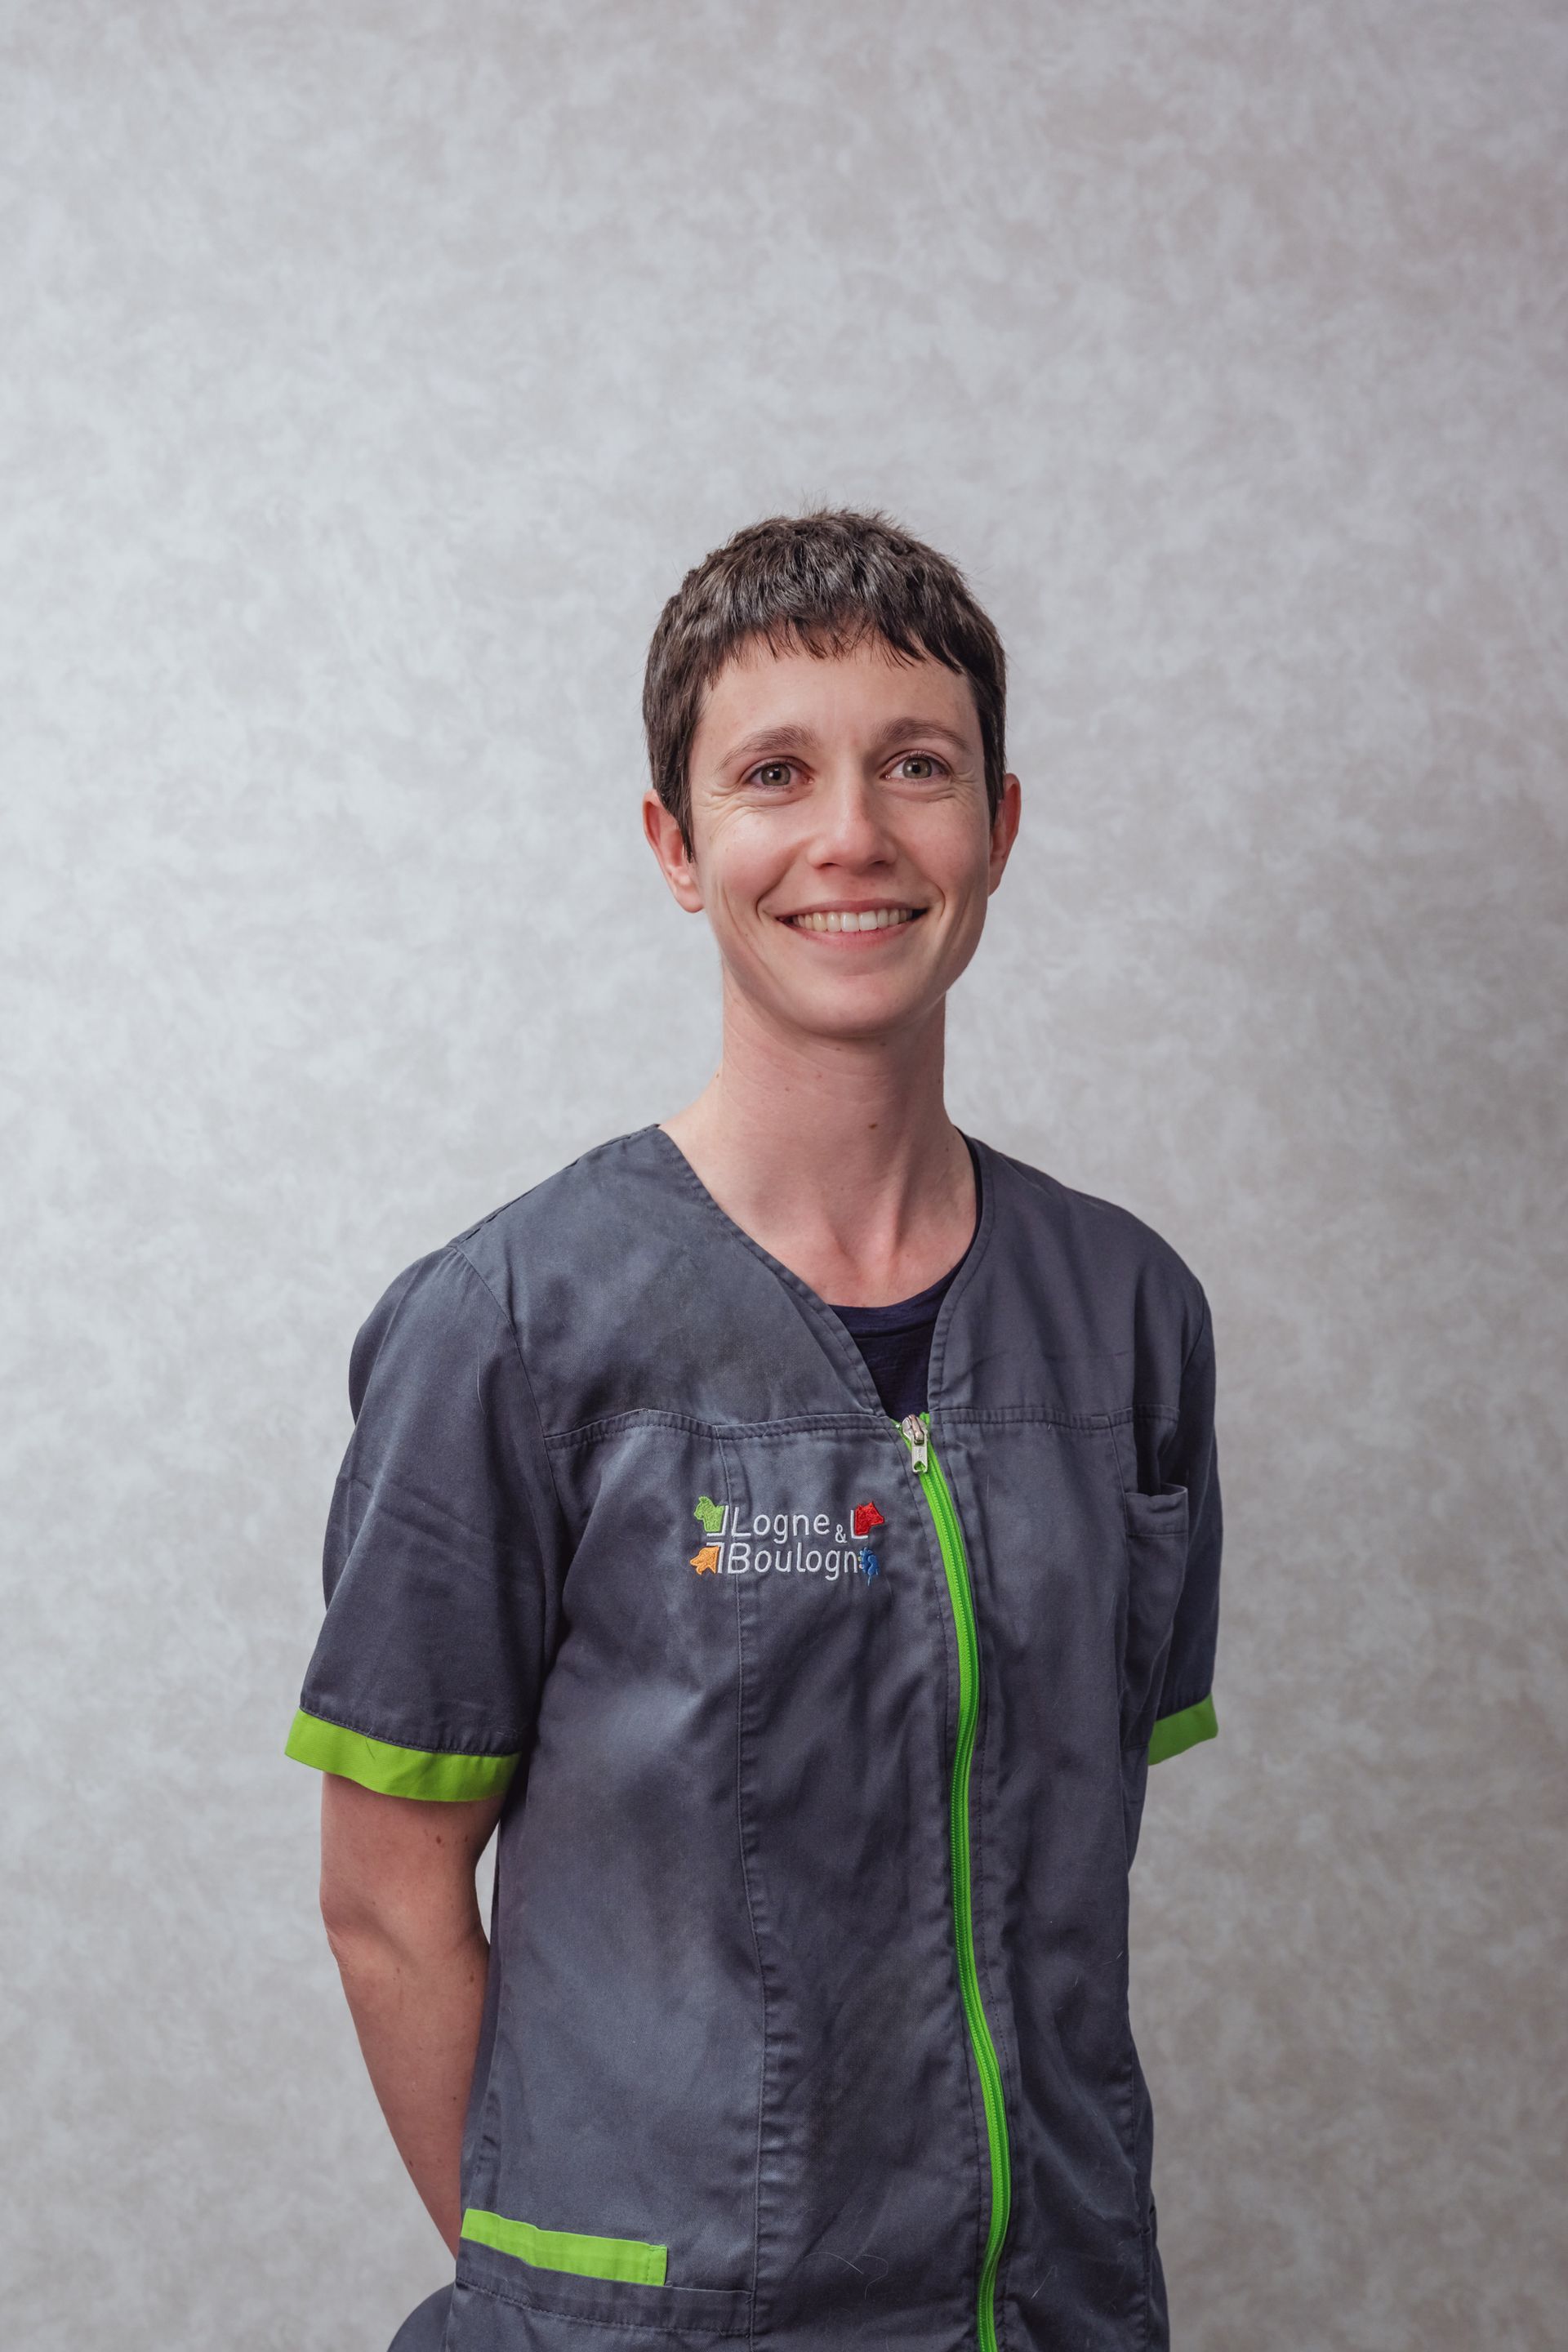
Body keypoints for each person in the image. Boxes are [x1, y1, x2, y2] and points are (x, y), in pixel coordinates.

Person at [286, 510, 1223, 2352]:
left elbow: (1046, 1854)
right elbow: (389, 1904)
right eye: (775, 772)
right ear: (677, 845)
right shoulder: (508, 1327)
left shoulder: (1128, 1318)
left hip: (1049, 2314)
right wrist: (562, 2291)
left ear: (999, 829)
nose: (853, 835)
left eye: (919, 767)